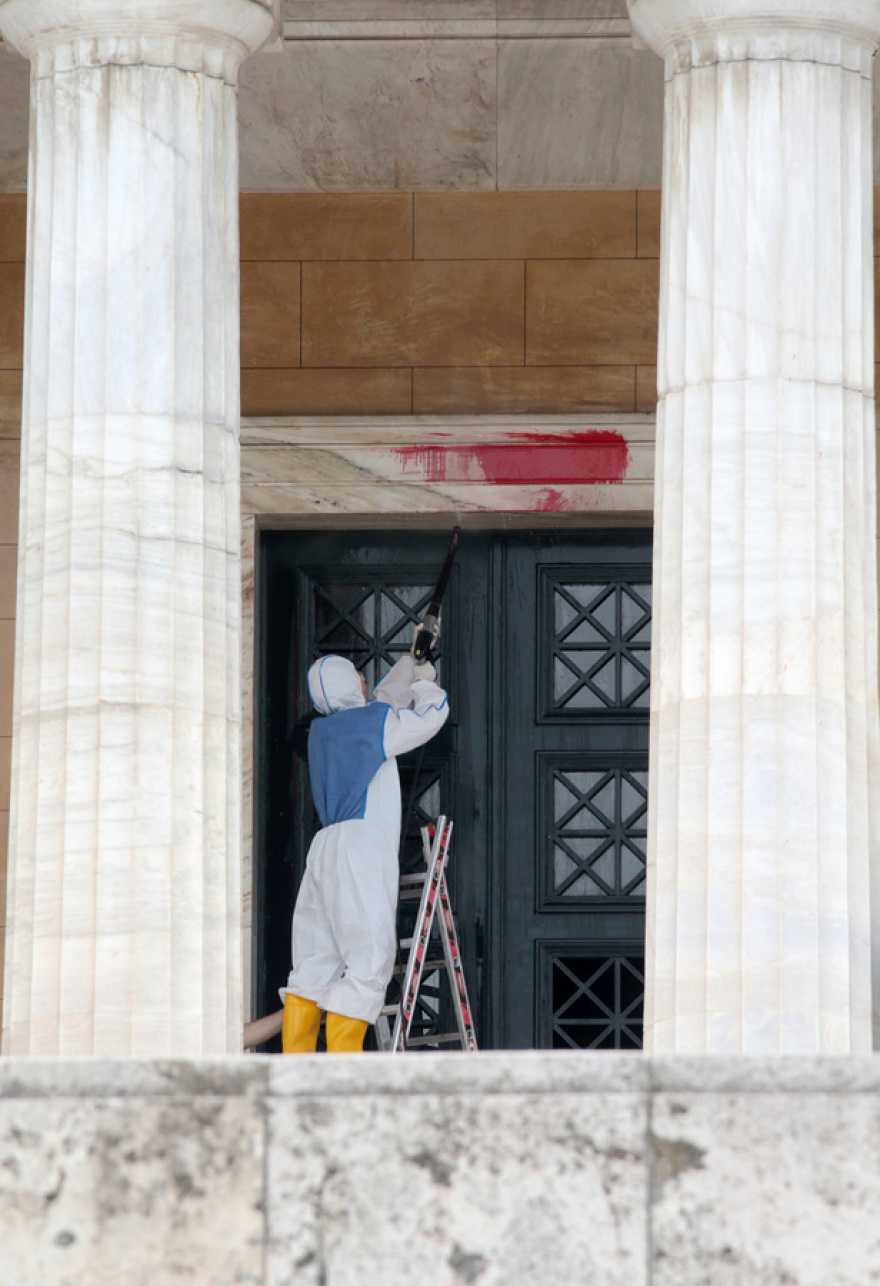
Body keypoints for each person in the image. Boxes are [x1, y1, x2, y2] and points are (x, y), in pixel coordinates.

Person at [282, 644, 449, 1053]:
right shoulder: (370, 724)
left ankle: (292, 1074)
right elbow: (432, 716)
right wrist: (427, 685)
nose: (363, 678)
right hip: (361, 850)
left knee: (313, 966)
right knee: (369, 963)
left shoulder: (324, 730)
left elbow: (381, 702)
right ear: (349, 684)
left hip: (324, 851)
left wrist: (413, 660)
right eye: (357, 674)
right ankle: (345, 1078)